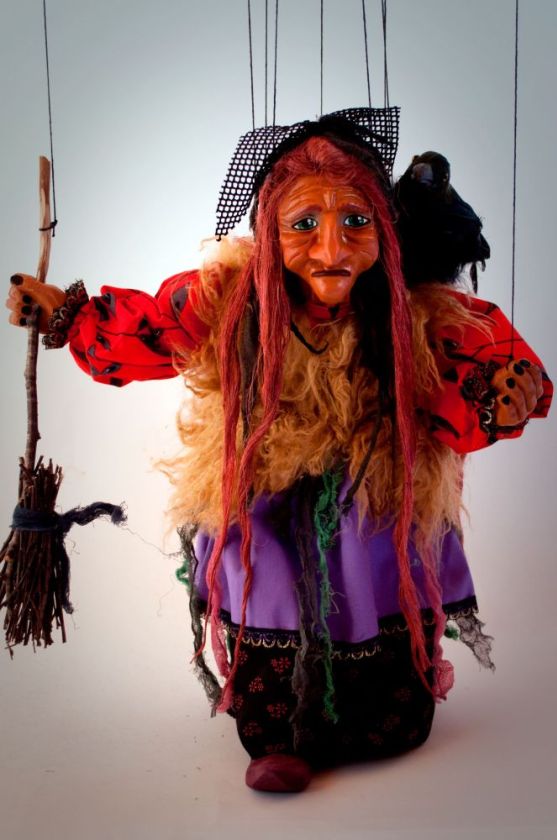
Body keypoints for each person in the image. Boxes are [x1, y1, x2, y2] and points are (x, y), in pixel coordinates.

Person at [6, 111, 552, 793]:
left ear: (384, 229)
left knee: (375, 571)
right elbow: (157, 328)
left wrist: (502, 395)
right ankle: (280, 734)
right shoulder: (228, 298)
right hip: (267, 486)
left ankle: (385, 718)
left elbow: (471, 372)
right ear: (268, 232)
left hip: (375, 485)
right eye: (304, 225)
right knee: (264, 578)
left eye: (355, 222)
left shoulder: (410, 312)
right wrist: (69, 315)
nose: (332, 248)